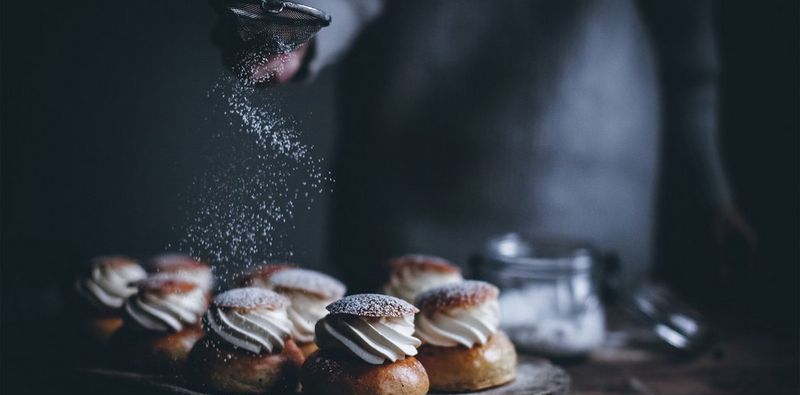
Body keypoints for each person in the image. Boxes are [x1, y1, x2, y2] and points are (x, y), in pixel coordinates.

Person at [212, 0, 755, 293]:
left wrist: (710, 191)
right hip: (402, 238)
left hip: (596, 266)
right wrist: (294, 25)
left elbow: (690, 58)